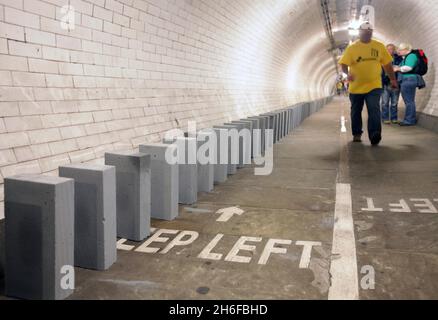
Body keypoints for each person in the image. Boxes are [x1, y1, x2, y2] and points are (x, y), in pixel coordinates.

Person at [339, 22, 398, 146]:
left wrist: (392, 79)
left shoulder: (379, 46)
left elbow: (387, 65)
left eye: (369, 32)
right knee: (356, 111)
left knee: (374, 109)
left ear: (372, 32)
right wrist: (347, 74)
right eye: (364, 32)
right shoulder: (352, 48)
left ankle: (375, 134)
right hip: (356, 87)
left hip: (374, 85)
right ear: (359, 33)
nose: (367, 34)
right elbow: (343, 64)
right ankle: (356, 133)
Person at [394, 43, 420, 126]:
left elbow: (408, 67)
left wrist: (397, 68)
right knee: (409, 101)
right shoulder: (406, 57)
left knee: (409, 101)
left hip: (409, 79)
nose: (399, 51)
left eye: (401, 50)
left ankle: (409, 120)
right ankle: (409, 119)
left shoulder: (411, 56)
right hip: (407, 79)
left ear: (407, 50)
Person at [381, 44, 403, 124]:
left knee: (394, 103)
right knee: (384, 102)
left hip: (396, 83)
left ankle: (394, 118)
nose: (389, 50)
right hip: (385, 83)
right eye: (388, 49)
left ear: (394, 50)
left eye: (391, 49)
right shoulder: (382, 59)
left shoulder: (399, 58)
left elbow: (401, 69)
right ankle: (385, 118)